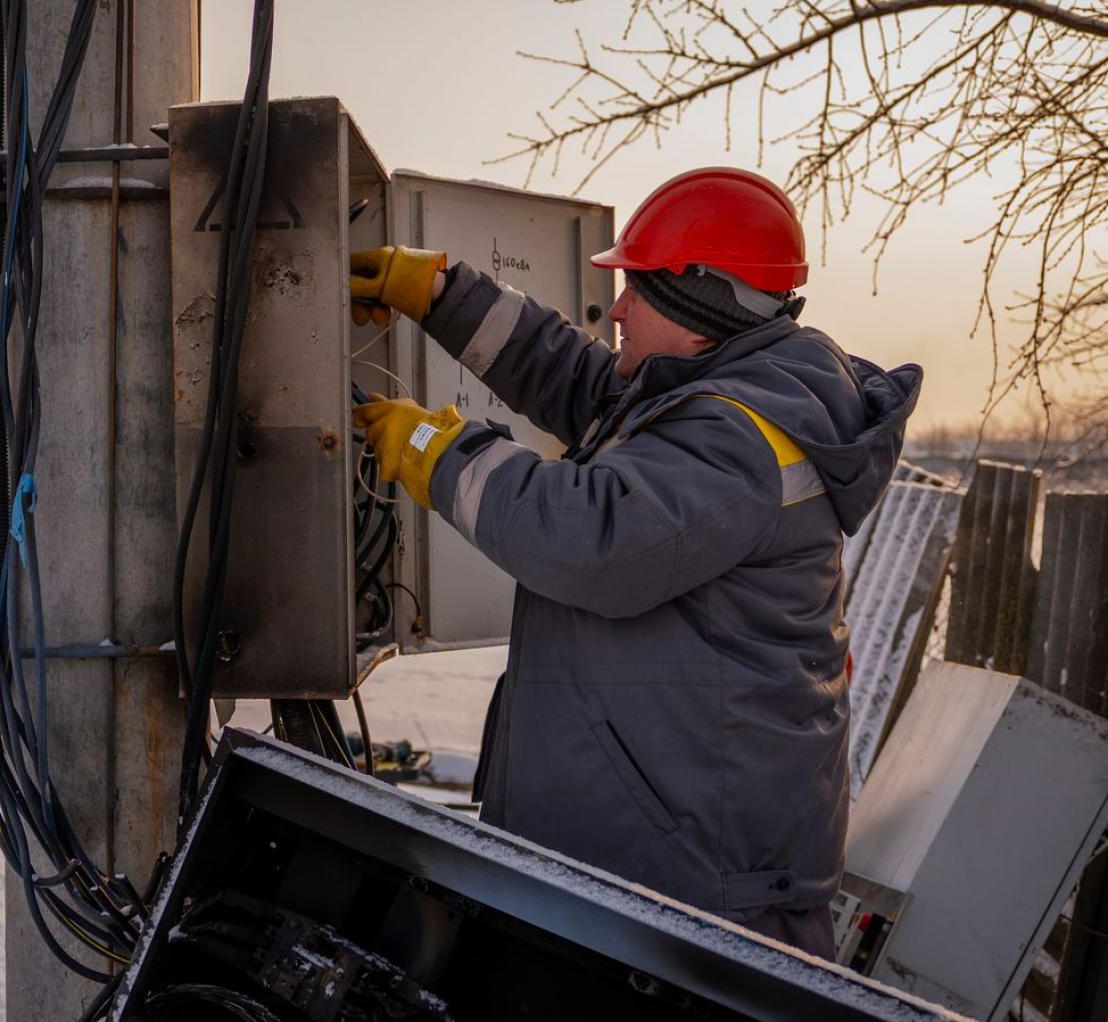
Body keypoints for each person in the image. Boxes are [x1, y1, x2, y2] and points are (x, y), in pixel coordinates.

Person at [349, 167, 920, 959]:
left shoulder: (742, 439)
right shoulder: (719, 389)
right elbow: (577, 380)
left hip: (701, 900)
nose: (615, 309)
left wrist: (435, 452)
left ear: (703, 303)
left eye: (638, 291)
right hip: (656, 860)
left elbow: (587, 542)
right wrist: (445, 296)